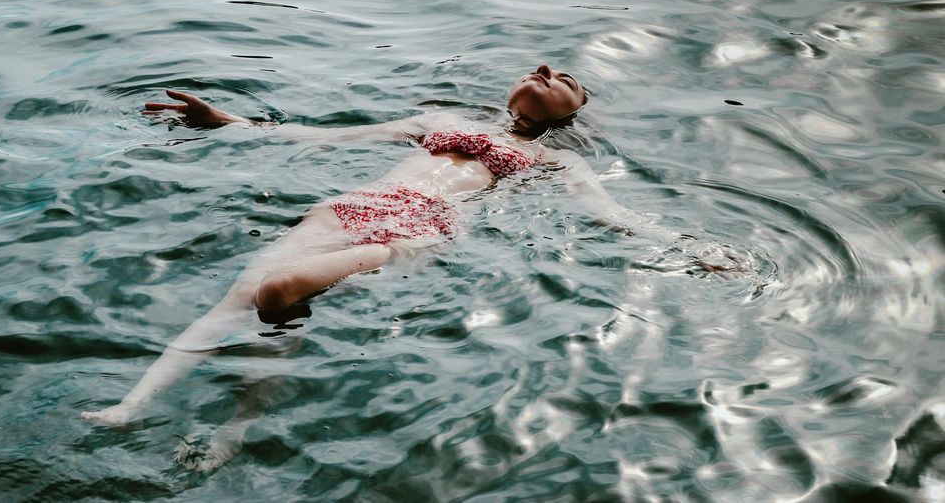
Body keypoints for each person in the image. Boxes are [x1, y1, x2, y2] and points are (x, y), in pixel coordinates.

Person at [81, 64, 732, 466]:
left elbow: (612, 213)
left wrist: (687, 244)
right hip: (350, 207)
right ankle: (133, 404)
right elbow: (325, 137)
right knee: (241, 301)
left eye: (564, 78)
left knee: (278, 291)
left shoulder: (560, 162)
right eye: (541, 67)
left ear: (571, 115)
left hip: (423, 227)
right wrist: (228, 122)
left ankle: (238, 421)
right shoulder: (436, 118)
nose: (545, 68)